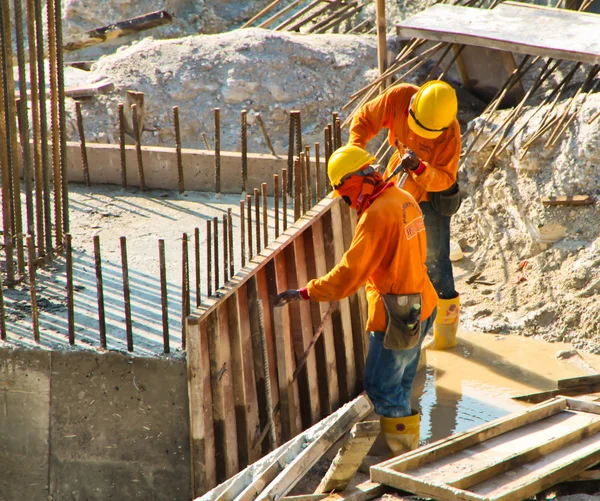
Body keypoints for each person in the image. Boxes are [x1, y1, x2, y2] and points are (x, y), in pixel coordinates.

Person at [273, 144, 438, 455]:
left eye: (345, 196)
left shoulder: (377, 215)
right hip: (423, 302)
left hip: (399, 315)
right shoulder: (403, 199)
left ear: (351, 184)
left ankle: (402, 457)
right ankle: (409, 445)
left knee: (382, 387)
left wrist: (307, 291)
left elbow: (350, 273)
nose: (348, 204)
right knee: (401, 381)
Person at [348, 80, 461, 351]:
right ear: (412, 107)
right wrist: (355, 154)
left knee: (436, 262)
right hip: (396, 189)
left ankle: (445, 338)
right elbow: (364, 119)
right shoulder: (399, 97)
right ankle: (409, 330)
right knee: (399, 261)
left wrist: (421, 169)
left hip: (428, 200)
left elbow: (445, 178)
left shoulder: (450, 134)